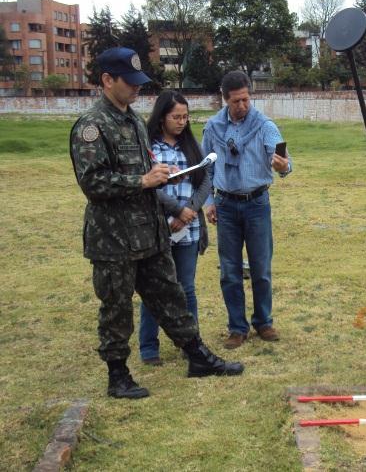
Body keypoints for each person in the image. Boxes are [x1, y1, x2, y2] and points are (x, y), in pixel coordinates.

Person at [69, 47, 244, 399]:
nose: (137, 88)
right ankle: (118, 375)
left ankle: (197, 357)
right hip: (114, 239)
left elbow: (143, 171)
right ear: (107, 80)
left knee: (171, 295)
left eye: (139, 82)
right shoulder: (91, 127)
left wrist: (162, 176)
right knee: (116, 308)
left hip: (150, 233)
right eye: (130, 82)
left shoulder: (133, 121)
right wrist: (143, 182)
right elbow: (92, 182)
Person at [203, 70, 292, 349]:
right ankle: (237, 327)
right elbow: (205, 168)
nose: (242, 106)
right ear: (224, 99)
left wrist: (282, 166)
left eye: (246, 99)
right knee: (229, 270)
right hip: (226, 205)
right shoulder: (213, 127)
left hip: (256, 204)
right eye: (236, 101)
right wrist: (208, 203)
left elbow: (285, 162)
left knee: (261, 268)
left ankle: (264, 322)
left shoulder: (265, 125)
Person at [138, 90, 211, 366]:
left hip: (189, 230)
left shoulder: (191, 146)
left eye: (185, 117)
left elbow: (205, 179)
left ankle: (191, 344)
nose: (181, 122)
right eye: (176, 117)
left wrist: (190, 210)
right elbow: (150, 187)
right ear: (162, 117)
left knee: (186, 288)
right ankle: (148, 347)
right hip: (160, 229)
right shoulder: (150, 148)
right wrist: (176, 210)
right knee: (155, 289)